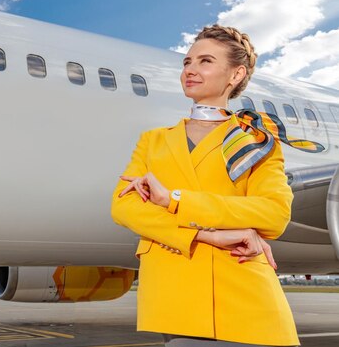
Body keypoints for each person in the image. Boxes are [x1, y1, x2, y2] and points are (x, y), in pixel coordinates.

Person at [111, 25, 305, 346]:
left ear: (235, 74)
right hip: (173, 296)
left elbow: (274, 213)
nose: (190, 70)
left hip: (244, 289)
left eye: (205, 62)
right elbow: (123, 206)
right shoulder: (154, 141)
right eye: (187, 62)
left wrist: (174, 199)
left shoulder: (255, 141)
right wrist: (209, 235)